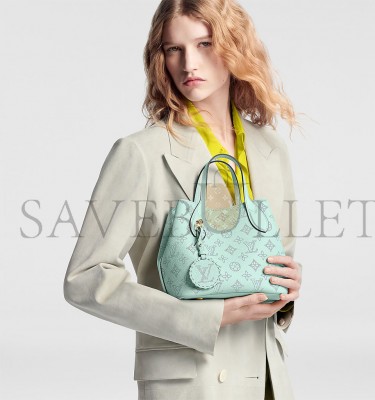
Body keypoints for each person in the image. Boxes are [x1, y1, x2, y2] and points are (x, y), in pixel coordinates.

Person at [63, 0, 303, 399]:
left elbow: (277, 264)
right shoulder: (141, 153)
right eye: (174, 49)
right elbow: (84, 278)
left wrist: (287, 292)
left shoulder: (270, 149)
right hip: (192, 380)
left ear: (235, 46)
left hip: (264, 376)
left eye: (205, 44)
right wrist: (201, 318)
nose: (189, 63)